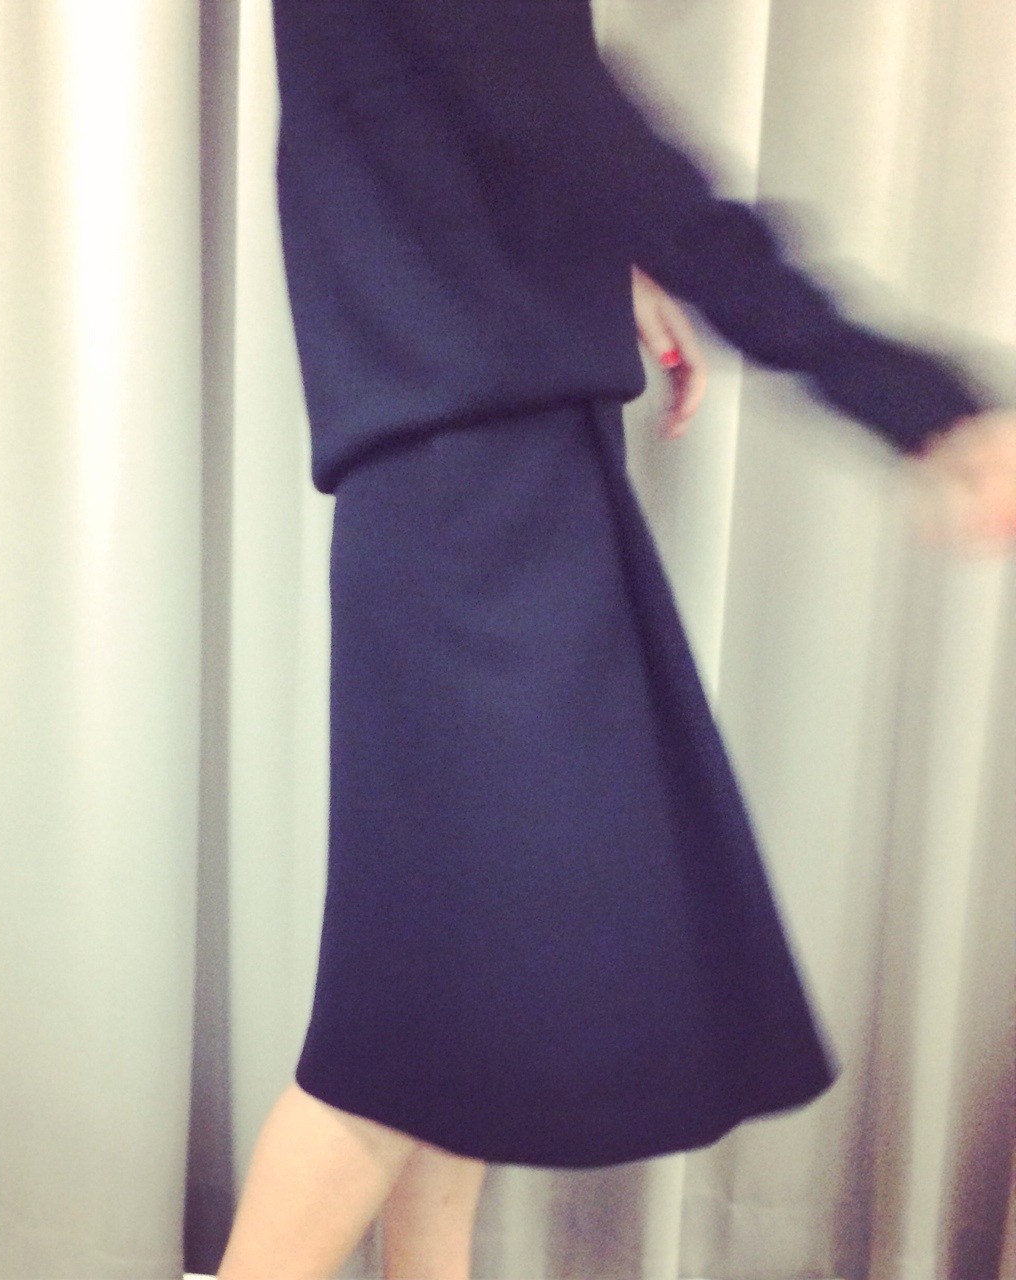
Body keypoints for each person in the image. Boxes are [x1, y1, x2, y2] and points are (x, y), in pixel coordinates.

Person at [217, 4, 1016, 1278]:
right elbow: (563, 115)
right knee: (397, 1052)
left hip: (483, 475)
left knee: (455, 1036)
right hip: (478, 496)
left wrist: (591, 268)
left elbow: (444, 121)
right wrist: (898, 391)